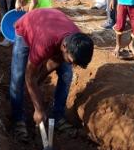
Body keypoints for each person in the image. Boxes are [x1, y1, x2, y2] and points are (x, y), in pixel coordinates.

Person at [10, 8, 94, 141]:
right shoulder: (44, 44)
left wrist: (36, 85)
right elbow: (29, 75)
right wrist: (38, 108)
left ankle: (58, 117)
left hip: (52, 25)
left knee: (66, 74)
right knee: (18, 77)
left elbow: (54, 62)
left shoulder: (77, 41)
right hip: (28, 27)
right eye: (72, 61)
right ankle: (18, 120)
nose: (74, 65)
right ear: (64, 47)